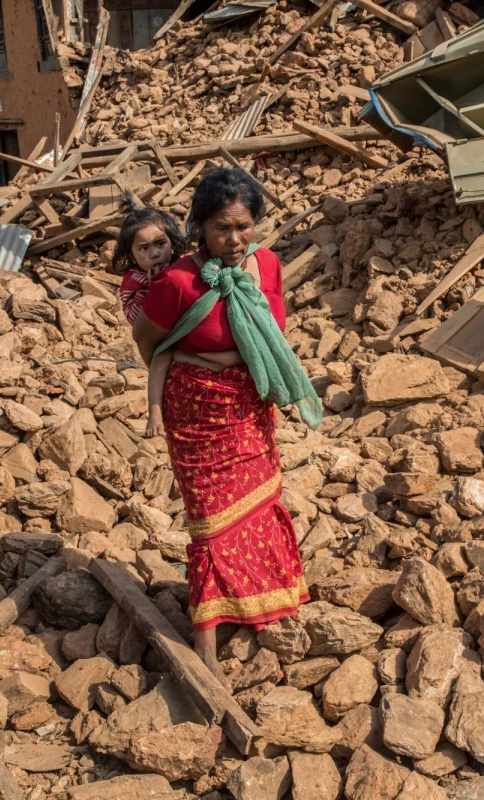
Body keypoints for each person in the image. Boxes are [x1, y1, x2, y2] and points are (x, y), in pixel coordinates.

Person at [130, 167, 323, 687]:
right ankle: (205, 640)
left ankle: (261, 603)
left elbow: (274, 330)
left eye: (242, 226)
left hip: (249, 403)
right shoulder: (177, 282)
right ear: (199, 227)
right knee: (211, 520)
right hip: (197, 410)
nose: (233, 239)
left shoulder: (268, 266)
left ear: (256, 223)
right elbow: (149, 342)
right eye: (220, 228)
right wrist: (197, 369)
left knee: (258, 501)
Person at [114, 209, 188, 438]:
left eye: (160, 244)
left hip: (188, 327)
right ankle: (156, 411)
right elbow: (135, 320)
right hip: (161, 336)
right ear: (132, 254)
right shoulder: (133, 280)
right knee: (160, 360)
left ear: (172, 243)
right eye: (144, 249)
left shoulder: (184, 264)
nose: (154, 253)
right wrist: (153, 288)